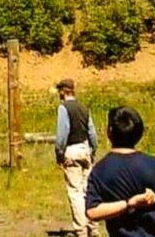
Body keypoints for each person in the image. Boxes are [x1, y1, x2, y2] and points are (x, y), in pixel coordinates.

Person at [86, 106, 155, 237]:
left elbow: (92, 211)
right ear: (139, 133)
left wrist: (128, 204)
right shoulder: (154, 165)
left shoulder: (100, 170)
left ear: (109, 132)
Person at [54, 78, 99, 237]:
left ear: (62, 91)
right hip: (85, 149)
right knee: (89, 190)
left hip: (71, 150)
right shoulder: (84, 108)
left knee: (75, 192)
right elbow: (92, 132)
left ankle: (81, 231)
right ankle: (94, 227)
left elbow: (62, 134)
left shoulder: (63, 108)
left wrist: (59, 153)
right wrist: (93, 150)